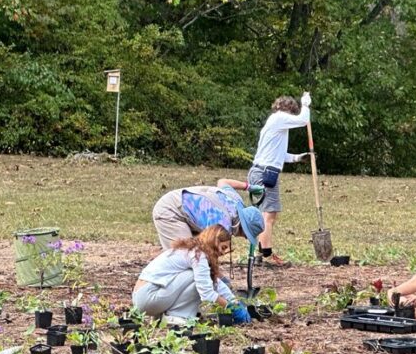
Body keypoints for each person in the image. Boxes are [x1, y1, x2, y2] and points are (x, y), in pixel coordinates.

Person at [131, 225, 248, 325]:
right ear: (214, 241)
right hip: (148, 297)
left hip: (143, 297)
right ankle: (177, 316)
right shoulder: (198, 255)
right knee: (196, 278)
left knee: (201, 278)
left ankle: (164, 316)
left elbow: (215, 283)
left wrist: (235, 302)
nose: (223, 252)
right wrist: (230, 307)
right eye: (223, 247)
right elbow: (206, 292)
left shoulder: (192, 250)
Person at [247, 92, 312, 267]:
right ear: (288, 110)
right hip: (265, 173)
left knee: (267, 214)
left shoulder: (275, 125)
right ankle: (266, 256)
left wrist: (298, 158)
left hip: (263, 171)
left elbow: (278, 154)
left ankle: (261, 253)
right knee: (269, 214)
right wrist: (305, 104)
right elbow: (303, 120)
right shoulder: (280, 118)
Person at [151, 181, 265, 252]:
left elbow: (223, 182)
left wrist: (248, 187)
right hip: (171, 211)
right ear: (242, 228)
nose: (245, 238)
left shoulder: (235, 200)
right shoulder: (221, 224)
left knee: (191, 254)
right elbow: (206, 255)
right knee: (184, 257)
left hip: (184, 209)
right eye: (247, 235)